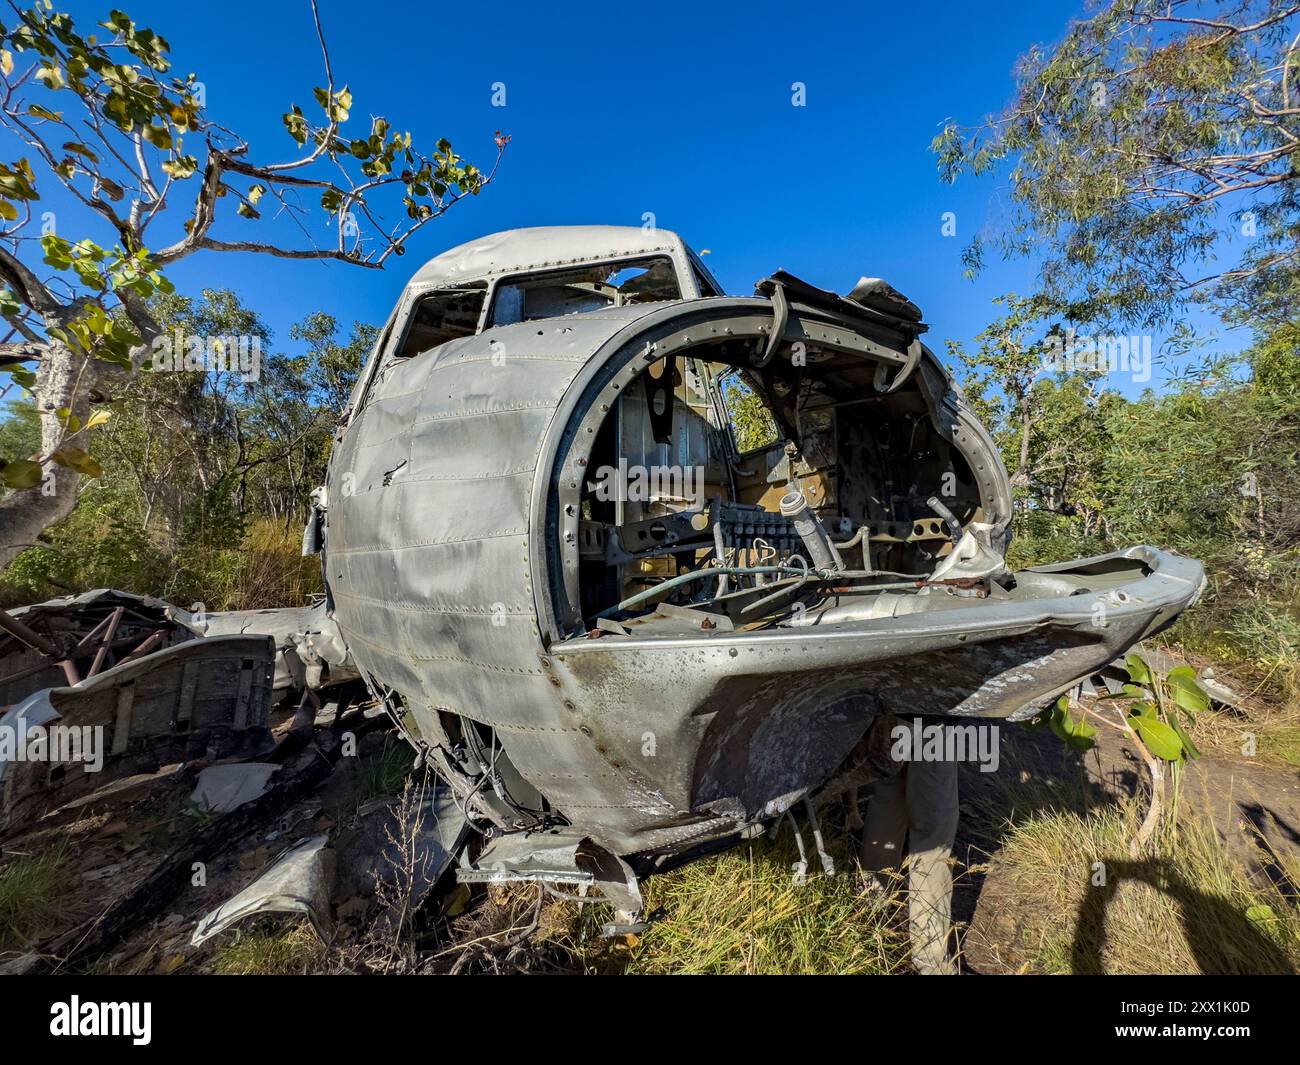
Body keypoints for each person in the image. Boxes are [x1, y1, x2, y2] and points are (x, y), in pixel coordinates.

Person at [858, 717, 960, 975]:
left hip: (892, 706)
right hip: (933, 716)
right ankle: (930, 959)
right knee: (934, 832)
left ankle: (868, 917)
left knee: (888, 799)